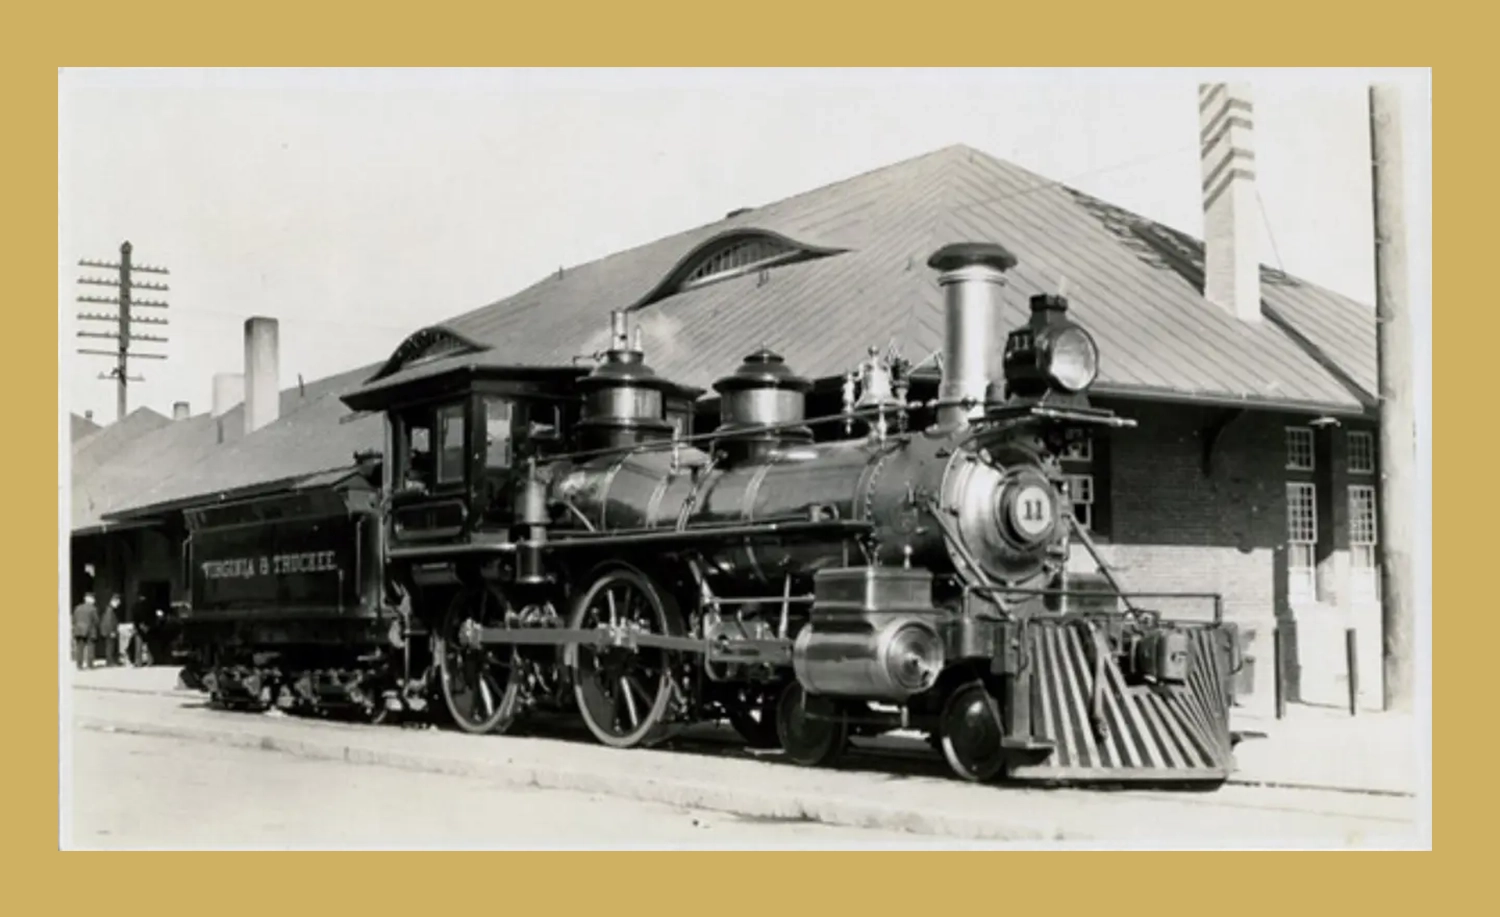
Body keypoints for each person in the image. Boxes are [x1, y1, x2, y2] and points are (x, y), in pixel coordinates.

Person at [71, 593, 99, 670]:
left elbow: (74, 619)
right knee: (91, 647)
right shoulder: (93, 609)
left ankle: (79, 665)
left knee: (79, 648)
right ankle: (90, 664)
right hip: (89, 630)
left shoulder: (77, 608)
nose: (94, 600)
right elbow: (96, 620)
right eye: (93, 599)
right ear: (89, 599)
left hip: (79, 630)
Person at [101, 595, 121, 666]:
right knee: (110, 647)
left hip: (109, 631)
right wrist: (111, 631)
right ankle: (110, 662)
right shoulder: (110, 610)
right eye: (118, 603)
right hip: (109, 631)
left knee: (110, 646)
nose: (118, 605)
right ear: (114, 601)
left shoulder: (110, 609)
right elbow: (109, 621)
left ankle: (111, 661)